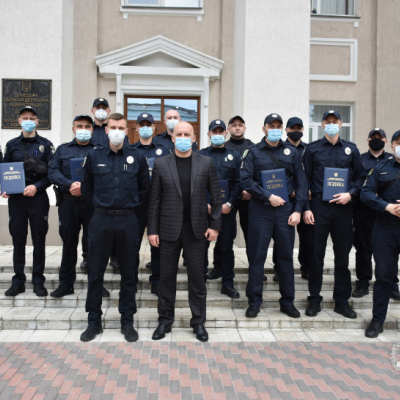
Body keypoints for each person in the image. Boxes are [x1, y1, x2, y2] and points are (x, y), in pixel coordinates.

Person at [148, 121, 222, 342]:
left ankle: (198, 323)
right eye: (178, 133)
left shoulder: (206, 163)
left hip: (197, 232)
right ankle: (164, 321)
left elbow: (217, 197)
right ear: (172, 138)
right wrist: (152, 230)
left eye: (186, 134)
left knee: (198, 280)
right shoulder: (161, 164)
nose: (182, 137)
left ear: (193, 138)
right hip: (168, 231)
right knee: (166, 280)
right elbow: (154, 200)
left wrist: (214, 225)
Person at [80, 113, 150, 342]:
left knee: (129, 273)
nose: (117, 130)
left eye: (121, 127)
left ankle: (127, 321)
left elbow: (144, 190)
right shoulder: (93, 156)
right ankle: (94, 321)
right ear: (106, 129)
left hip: (129, 220)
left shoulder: (137, 157)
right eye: (113, 126)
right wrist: (101, 211)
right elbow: (87, 190)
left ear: (127, 130)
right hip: (101, 219)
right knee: (95, 272)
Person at [241, 113, 308, 319]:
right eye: (272, 125)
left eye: (279, 125)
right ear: (264, 129)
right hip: (260, 211)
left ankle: (287, 301)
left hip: (285, 212)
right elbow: (245, 180)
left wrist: (298, 210)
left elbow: (301, 183)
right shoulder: (252, 152)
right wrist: (268, 196)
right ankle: (254, 301)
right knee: (257, 257)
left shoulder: (293, 152)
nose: (275, 128)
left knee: (285, 258)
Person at [303, 109, 364, 319]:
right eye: (327, 121)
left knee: (342, 257)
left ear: (340, 124)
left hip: (343, 208)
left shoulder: (351, 149)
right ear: (322, 125)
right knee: (316, 256)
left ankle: (341, 301)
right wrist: (307, 208)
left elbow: (360, 178)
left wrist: (350, 194)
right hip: (320, 206)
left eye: (334, 121)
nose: (331, 124)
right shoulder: (312, 149)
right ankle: (314, 299)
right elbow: (305, 181)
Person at [1, 106, 55, 297]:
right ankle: (18, 280)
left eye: (32, 118)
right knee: (18, 240)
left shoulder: (46, 145)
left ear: (38, 122)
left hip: (38, 198)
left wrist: (37, 187)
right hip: (17, 200)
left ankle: (38, 280)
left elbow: (52, 173)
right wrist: (4, 187)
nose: (28, 120)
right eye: (25, 118)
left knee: (39, 240)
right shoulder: (12, 145)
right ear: (19, 121)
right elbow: (5, 169)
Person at [48, 115, 98, 298]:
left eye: (87, 126)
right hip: (68, 202)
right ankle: (66, 283)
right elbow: (52, 171)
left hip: (92, 204)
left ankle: (96, 284)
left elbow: (105, 175)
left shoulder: (99, 150)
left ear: (92, 129)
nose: (83, 129)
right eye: (79, 126)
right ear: (73, 128)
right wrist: (70, 184)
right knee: (69, 243)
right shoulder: (62, 150)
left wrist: (84, 188)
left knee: (94, 244)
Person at [360, 130, 400, 338]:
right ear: (392, 145)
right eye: (399, 142)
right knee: (383, 276)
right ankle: (377, 320)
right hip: (385, 228)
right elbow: (365, 193)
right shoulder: (380, 168)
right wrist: (386, 206)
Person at [352, 128, 400, 299]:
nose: (376, 140)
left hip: (389, 216)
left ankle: (392, 284)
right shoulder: (360, 159)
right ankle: (363, 282)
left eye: (380, 138)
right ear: (368, 139)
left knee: (390, 252)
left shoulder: (391, 159)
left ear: (387, 142)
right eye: (373, 137)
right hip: (364, 212)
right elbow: (356, 181)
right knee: (363, 248)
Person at [199, 119, 241, 298]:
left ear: (225, 133)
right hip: (204, 211)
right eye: (213, 131)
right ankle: (200, 283)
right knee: (200, 248)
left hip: (226, 211)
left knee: (226, 248)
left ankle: (227, 283)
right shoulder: (200, 155)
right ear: (208, 134)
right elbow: (196, 183)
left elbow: (239, 183)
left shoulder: (234, 155)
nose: (217, 134)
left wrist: (230, 204)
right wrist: (204, 204)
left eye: (220, 131)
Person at [131, 112, 170, 295]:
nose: (145, 127)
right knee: (131, 244)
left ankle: (157, 281)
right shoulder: (130, 150)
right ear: (137, 128)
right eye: (142, 124)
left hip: (159, 205)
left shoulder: (164, 150)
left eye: (149, 124)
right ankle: (131, 279)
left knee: (157, 244)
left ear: (154, 127)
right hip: (136, 205)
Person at [272, 117, 313, 282]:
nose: (295, 130)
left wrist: (306, 192)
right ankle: (279, 268)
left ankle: (306, 267)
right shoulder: (280, 148)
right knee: (282, 238)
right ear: (286, 129)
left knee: (307, 236)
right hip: (287, 199)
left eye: (299, 127)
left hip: (306, 198)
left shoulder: (309, 149)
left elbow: (312, 174)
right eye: (292, 128)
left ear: (303, 129)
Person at [89, 97, 120, 273]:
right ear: (93, 110)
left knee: (115, 229)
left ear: (108, 111)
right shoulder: (87, 129)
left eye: (104, 107)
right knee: (94, 231)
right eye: (97, 107)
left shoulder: (115, 132)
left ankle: (115, 257)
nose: (101, 110)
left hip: (113, 187)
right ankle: (89, 258)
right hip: (96, 191)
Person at [225, 116, 254, 255]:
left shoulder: (253, 147)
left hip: (248, 197)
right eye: (234, 125)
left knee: (251, 234)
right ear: (229, 128)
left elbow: (257, 172)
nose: (237, 127)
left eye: (240, 125)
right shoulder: (224, 147)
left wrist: (251, 191)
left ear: (245, 128)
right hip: (229, 198)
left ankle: (254, 269)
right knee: (226, 235)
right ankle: (220, 267)